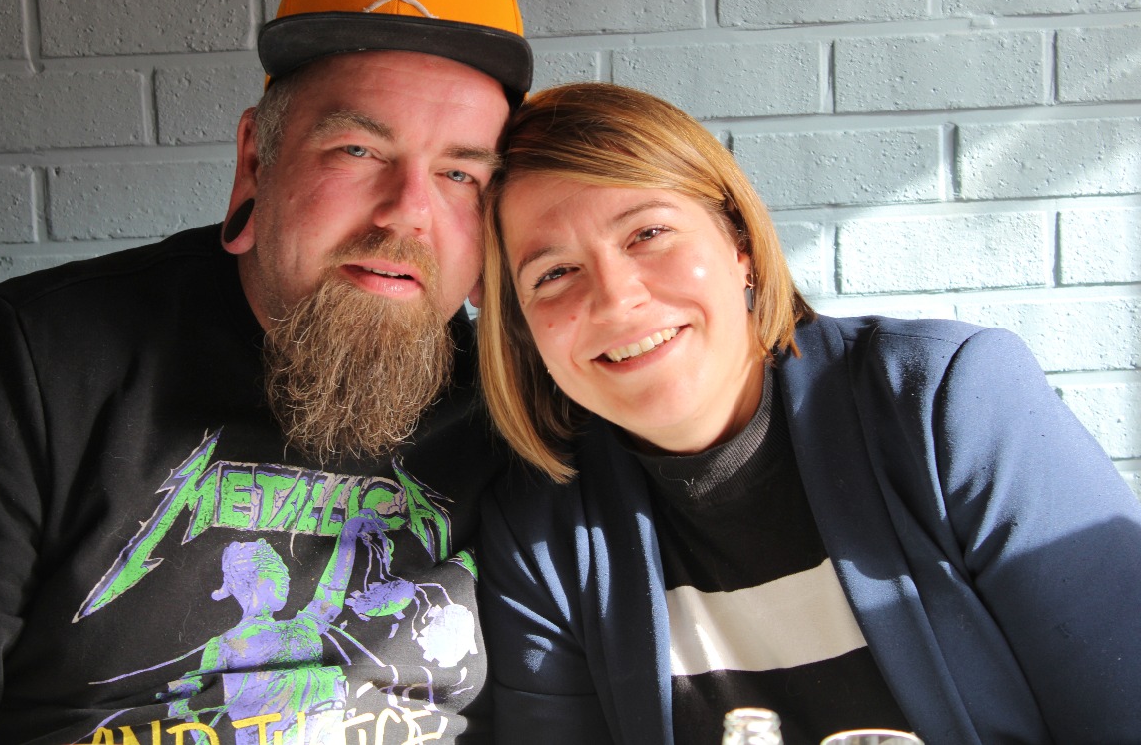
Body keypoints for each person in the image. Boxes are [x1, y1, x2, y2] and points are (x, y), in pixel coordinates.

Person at [0, 0, 531, 745]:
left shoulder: (516, 403)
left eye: (460, 172)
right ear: (256, 161)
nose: (407, 213)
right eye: (358, 149)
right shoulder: (47, 361)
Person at [475, 83, 1141, 744]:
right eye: (554, 274)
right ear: (523, 330)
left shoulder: (948, 402)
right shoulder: (539, 533)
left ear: (738, 243)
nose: (616, 298)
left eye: (649, 233)